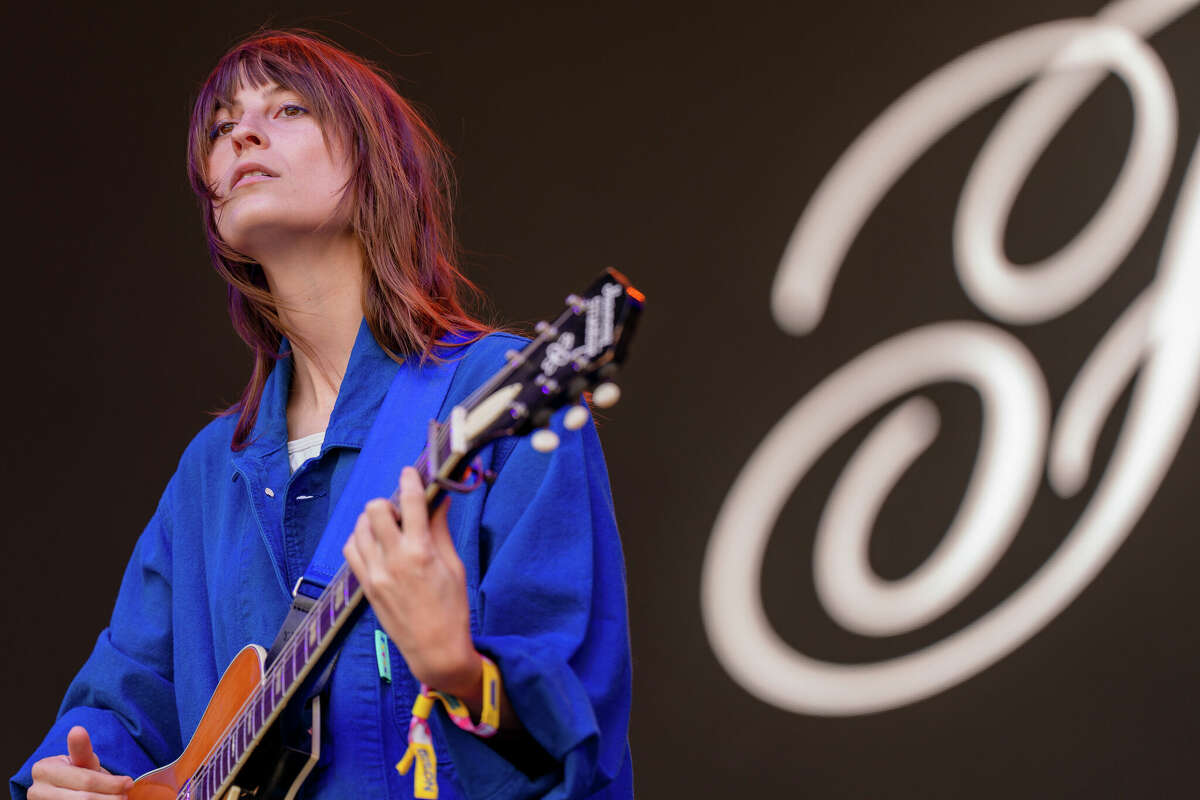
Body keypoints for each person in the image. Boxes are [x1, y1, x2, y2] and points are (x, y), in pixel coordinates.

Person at [11, 30, 633, 800]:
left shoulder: (491, 390)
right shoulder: (213, 468)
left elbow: (581, 743)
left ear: (374, 161)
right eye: (221, 126)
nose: (242, 132)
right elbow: (122, 707)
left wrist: (458, 672)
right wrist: (73, 781)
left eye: (289, 108)